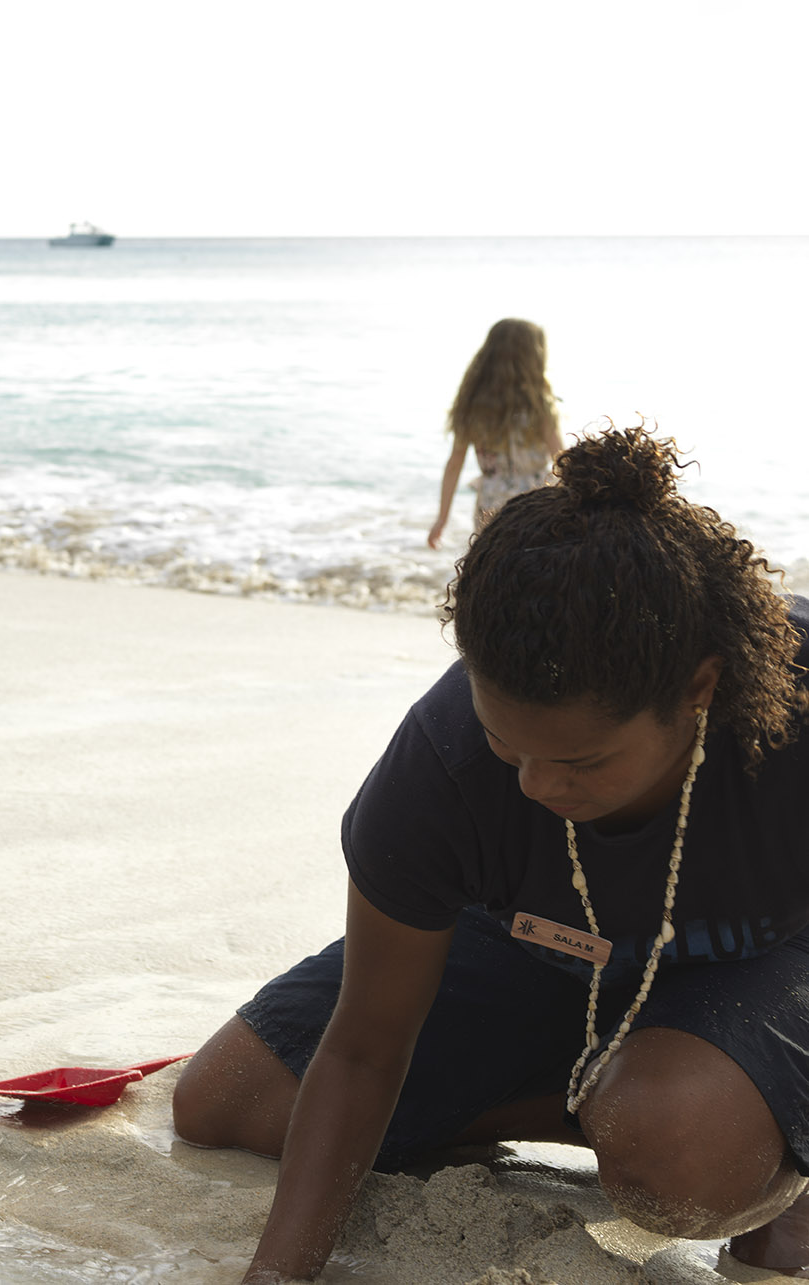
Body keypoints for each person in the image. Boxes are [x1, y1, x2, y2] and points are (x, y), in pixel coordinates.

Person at [174, 426, 809, 1281]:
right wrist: (277, 1275)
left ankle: (750, 1132)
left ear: (698, 688)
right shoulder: (441, 759)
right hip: (543, 946)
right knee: (226, 1101)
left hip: (762, 962)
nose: (536, 786)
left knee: (673, 1152)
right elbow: (364, 1046)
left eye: (580, 761)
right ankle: (601, 1097)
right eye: (507, 745)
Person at [426, 318, 561, 549]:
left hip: (491, 504)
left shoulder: (473, 406)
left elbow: (455, 463)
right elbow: (561, 458)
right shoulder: (539, 404)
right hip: (536, 501)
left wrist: (442, 518)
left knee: (492, 563)